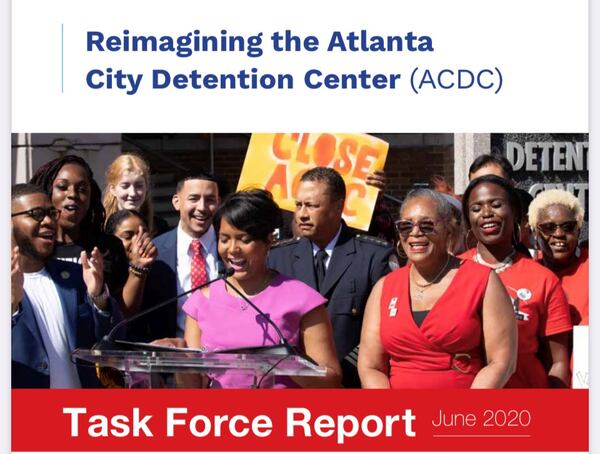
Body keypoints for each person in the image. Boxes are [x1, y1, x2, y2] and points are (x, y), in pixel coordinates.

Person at [358, 189, 517, 389]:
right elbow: (370, 366)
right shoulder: (384, 287)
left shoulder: (483, 281)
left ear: (448, 231)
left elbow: (502, 362)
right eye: (406, 226)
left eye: (426, 225)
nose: (415, 233)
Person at [182, 189, 341, 388]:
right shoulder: (201, 301)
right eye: (224, 239)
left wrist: (288, 363)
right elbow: (191, 388)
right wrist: (179, 354)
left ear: (269, 240)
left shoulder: (303, 300)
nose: (232, 249)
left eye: (244, 239)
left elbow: (332, 380)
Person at [268, 167, 394, 388]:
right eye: (299, 205)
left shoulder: (374, 257)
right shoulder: (278, 258)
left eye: (312, 206)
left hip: (353, 384)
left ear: (338, 207)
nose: (302, 214)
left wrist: (337, 373)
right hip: (292, 388)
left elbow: (385, 329)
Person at [461, 175, 573, 388]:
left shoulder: (543, 279)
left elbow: (557, 363)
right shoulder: (451, 271)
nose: (486, 214)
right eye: (476, 208)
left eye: (496, 205)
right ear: (468, 219)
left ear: (514, 213)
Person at [11, 183, 119, 388]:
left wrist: (98, 298)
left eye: (52, 213)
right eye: (36, 214)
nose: (49, 221)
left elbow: (112, 340)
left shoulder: (75, 277)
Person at [28, 155, 146, 315]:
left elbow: (122, 314)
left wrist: (137, 269)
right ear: (47, 191)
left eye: (82, 189)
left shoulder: (108, 246)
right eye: (62, 187)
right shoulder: (33, 249)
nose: (73, 194)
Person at [130, 172, 223, 341]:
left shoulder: (231, 251)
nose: (202, 207)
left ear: (218, 203)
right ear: (176, 202)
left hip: (225, 356)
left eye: (210, 200)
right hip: (171, 359)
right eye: (193, 199)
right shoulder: (154, 252)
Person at [528, 189, 588, 326]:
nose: (559, 234)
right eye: (549, 227)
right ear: (535, 233)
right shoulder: (527, 273)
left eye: (568, 227)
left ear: (578, 232)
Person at [105, 209, 158, 317]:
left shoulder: (161, 270)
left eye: (144, 234)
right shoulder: (105, 271)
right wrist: (138, 268)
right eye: (128, 237)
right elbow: (121, 314)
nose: (137, 242)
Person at [103, 153, 170, 236]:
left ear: (147, 188)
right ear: (112, 189)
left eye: (139, 186)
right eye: (125, 186)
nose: (133, 193)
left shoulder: (160, 227)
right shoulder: (99, 227)